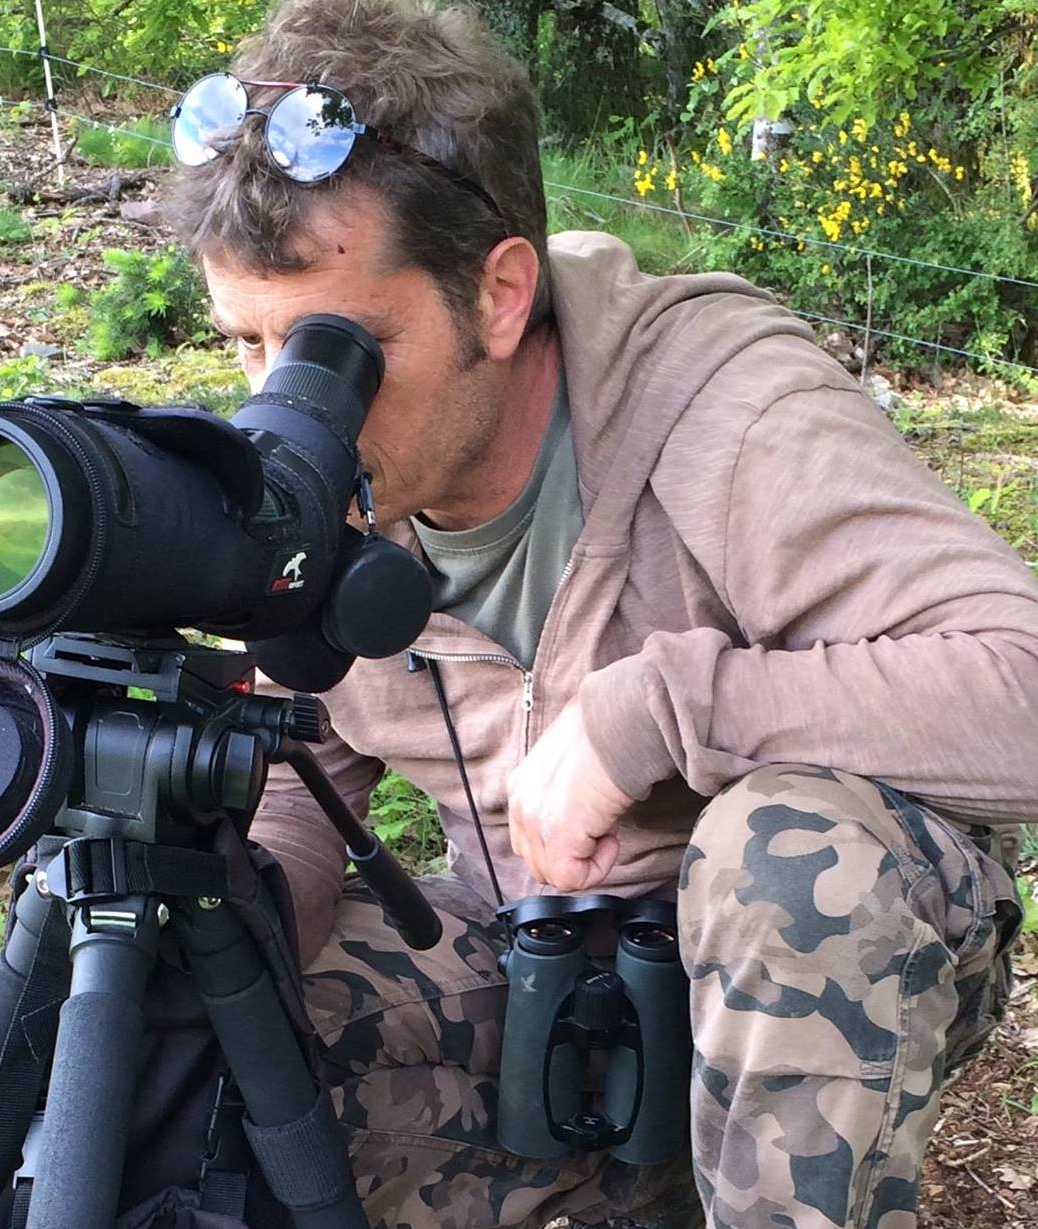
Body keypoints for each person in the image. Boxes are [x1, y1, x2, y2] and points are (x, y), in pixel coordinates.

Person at [164, 2, 1032, 1225]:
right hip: (547, 988)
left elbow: (1022, 687)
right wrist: (196, 914)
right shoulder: (321, 489)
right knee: (219, 996)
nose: (287, 406)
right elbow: (304, 812)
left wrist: (653, 714)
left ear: (500, 292)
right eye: (246, 347)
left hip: (825, 980)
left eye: (335, 351)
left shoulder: (726, 409)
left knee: (786, 853)